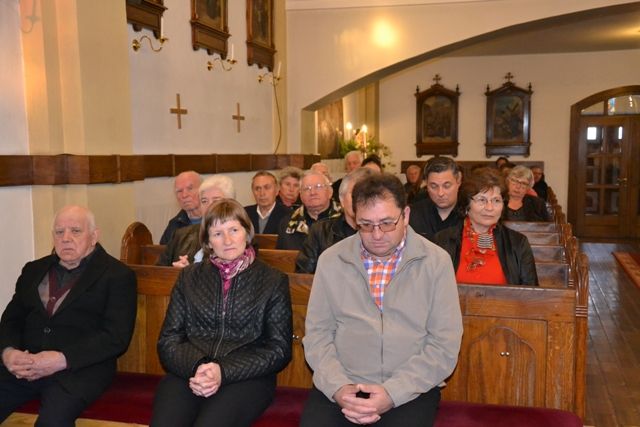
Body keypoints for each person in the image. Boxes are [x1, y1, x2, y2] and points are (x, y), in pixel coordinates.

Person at [300, 173, 462, 427]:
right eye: (366, 224)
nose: (376, 234)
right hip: (342, 383)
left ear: (405, 215)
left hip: (411, 387)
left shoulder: (435, 262)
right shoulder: (332, 260)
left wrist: (392, 393)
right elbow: (317, 335)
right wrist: (339, 388)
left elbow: (444, 345)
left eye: (387, 223)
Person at [150, 199, 292, 427]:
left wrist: (222, 371)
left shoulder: (273, 280)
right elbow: (169, 339)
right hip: (191, 370)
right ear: (207, 241)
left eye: (234, 230)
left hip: (247, 376)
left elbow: (279, 348)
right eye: (217, 233)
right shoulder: (189, 277)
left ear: (247, 233)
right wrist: (199, 367)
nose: (227, 240)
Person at [0, 205, 137, 425]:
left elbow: (116, 337)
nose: (65, 238)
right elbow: (11, 320)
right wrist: (8, 353)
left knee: (53, 421)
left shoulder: (117, 275)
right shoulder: (33, 270)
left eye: (75, 231)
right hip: (24, 365)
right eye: (59, 232)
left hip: (79, 369)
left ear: (94, 236)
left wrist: (61, 359)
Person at [434, 168, 538, 286]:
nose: (489, 208)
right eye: (481, 200)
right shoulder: (443, 240)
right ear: (466, 205)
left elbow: (531, 292)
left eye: (496, 200)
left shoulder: (518, 243)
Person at [296, 167, 375, 273]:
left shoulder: (383, 231)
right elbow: (303, 275)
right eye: (354, 194)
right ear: (342, 200)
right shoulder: (320, 231)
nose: (360, 200)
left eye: (367, 195)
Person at [157, 175, 235, 267]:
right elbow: (158, 270)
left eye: (216, 201)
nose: (209, 206)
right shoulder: (180, 235)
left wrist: (190, 272)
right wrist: (175, 271)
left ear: (231, 204)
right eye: (204, 201)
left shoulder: (239, 236)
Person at [276, 171, 342, 250]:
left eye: (318, 187)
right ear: (300, 195)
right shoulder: (287, 223)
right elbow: (281, 255)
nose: (312, 192)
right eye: (306, 188)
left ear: (330, 192)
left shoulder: (345, 218)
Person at [409, 156, 464, 242]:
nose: (440, 193)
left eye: (447, 186)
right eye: (434, 186)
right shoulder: (413, 214)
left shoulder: (470, 214)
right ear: (426, 183)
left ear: (459, 181)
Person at [160, 171, 203, 244]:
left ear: (203, 190)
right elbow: (163, 250)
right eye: (179, 191)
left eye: (190, 188)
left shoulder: (217, 219)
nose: (184, 195)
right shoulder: (175, 225)